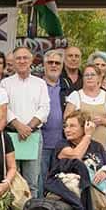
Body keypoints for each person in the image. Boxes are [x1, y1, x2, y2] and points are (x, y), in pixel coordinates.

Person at [2, 46, 50, 190]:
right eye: (18, 58)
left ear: (31, 60)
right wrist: (19, 126)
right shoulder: (5, 83)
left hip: (32, 135)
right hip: (12, 135)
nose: (22, 61)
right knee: (12, 180)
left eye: (25, 58)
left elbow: (45, 108)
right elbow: (4, 108)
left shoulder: (40, 83)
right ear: (13, 62)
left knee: (32, 182)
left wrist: (28, 128)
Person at [65, 63, 106, 146]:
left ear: (99, 77)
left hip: (103, 142)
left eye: (93, 75)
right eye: (86, 75)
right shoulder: (75, 95)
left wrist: (103, 121)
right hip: (79, 144)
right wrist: (83, 121)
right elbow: (66, 118)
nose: (89, 77)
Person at [39, 49, 67, 196]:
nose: (54, 66)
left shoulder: (67, 87)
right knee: (40, 181)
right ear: (44, 65)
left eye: (57, 63)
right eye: (50, 62)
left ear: (62, 66)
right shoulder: (37, 85)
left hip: (61, 144)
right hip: (40, 142)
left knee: (60, 182)